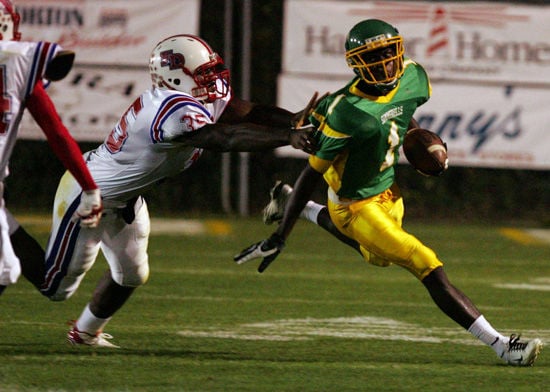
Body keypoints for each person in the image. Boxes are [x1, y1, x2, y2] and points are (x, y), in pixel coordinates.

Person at [234, 19, 543, 367]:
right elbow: (311, 171)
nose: (384, 63)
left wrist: (418, 140)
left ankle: (298, 205)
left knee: (377, 256)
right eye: (373, 56)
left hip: (387, 191)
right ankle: (503, 345)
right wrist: (280, 235)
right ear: (356, 63)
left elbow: (403, 112)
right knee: (424, 261)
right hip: (354, 206)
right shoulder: (344, 111)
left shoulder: (413, 75)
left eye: (387, 53)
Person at [12, 33, 318, 347]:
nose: (212, 79)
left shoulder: (192, 98)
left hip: (125, 198)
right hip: (88, 193)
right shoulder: (169, 107)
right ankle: (5, 225)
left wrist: (292, 121)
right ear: (174, 76)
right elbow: (225, 139)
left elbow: (247, 112)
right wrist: (286, 137)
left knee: (132, 274)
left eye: (211, 71)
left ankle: (84, 334)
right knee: (55, 287)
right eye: (203, 74)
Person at [0, 0, 103, 295]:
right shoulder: (18, 60)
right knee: (6, 268)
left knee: (11, 266)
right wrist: (90, 188)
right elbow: (56, 131)